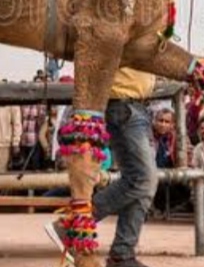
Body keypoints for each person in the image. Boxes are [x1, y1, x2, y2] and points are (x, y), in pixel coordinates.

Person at [48, 67, 159, 267]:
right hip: (123, 103)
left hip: (134, 106)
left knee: (142, 183)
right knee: (142, 180)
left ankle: (122, 254)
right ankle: (71, 225)